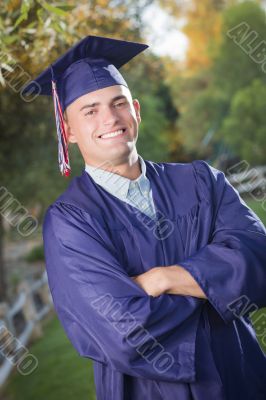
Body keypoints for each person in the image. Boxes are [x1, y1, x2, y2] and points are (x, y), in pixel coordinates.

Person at [23, 35, 266, 400]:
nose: (110, 118)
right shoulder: (70, 221)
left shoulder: (202, 181)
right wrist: (217, 287)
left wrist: (161, 279)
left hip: (242, 378)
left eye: (118, 103)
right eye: (90, 110)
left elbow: (258, 257)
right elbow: (125, 332)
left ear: (136, 110)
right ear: (68, 130)